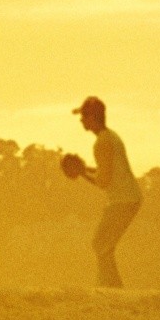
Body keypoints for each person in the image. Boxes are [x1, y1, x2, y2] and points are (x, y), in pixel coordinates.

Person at [63, 97, 142, 288]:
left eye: (83, 116)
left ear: (92, 117)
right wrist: (85, 169)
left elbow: (103, 182)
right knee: (103, 245)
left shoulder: (102, 143)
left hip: (122, 199)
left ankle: (112, 289)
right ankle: (112, 287)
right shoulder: (110, 137)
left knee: (100, 244)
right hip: (128, 197)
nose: (81, 120)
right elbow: (108, 171)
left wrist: (81, 172)